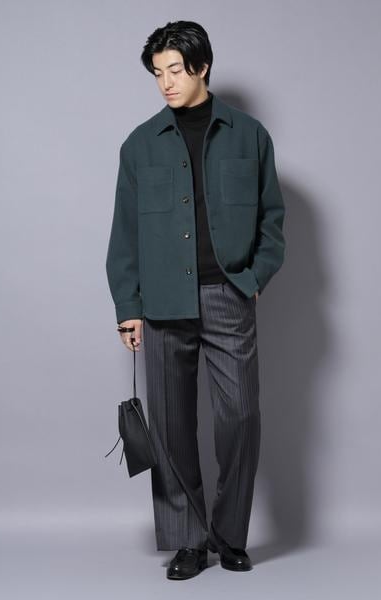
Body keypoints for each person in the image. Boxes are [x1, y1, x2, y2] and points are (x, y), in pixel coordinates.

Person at [105, 20, 285, 580]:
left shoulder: (250, 136)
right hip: (162, 304)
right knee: (172, 427)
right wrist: (128, 308)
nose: (166, 83)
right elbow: (124, 234)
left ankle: (228, 535)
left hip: (229, 296)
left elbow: (272, 219)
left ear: (202, 66)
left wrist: (254, 278)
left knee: (241, 418)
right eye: (158, 73)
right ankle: (187, 539)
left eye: (175, 70)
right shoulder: (139, 145)